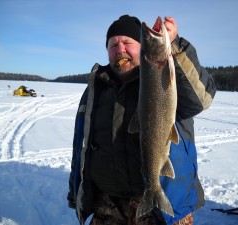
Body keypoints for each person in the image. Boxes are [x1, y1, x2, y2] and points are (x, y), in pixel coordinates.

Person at [67, 15, 216, 225]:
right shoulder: (96, 88)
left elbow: (201, 100)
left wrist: (174, 46)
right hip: (107, 205)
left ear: (141, 48)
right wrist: (76, 192)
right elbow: (80, 146)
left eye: (128, 43)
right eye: (113, 45)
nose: (120, 50)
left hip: (162, 209)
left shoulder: (164, 70)